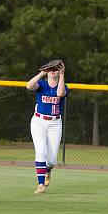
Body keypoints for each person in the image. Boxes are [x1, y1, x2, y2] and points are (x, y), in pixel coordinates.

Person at [26, 60, 68, 194]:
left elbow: (60, 94)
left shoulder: (64, 85)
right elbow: (29, 86)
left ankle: (48, 170)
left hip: (55, 123)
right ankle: (40, 185)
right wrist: (42, 73)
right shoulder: (42, 84)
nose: (53, 71)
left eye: (56, 69)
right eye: (51, 69)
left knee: (52, 160)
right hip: (39, 121)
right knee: (40, 152)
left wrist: (61, 74)